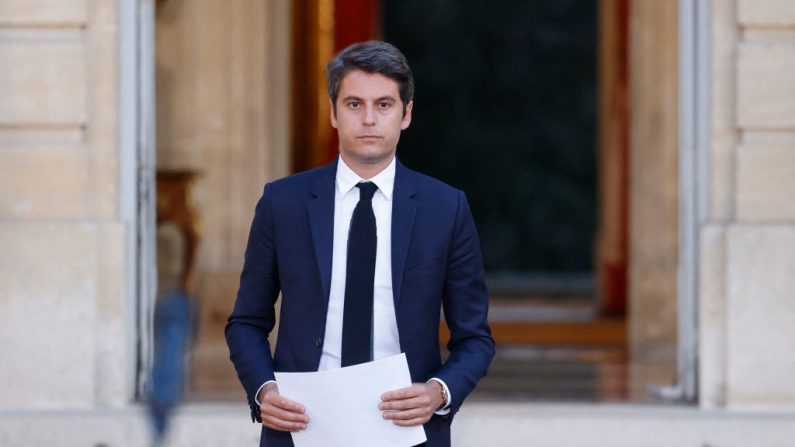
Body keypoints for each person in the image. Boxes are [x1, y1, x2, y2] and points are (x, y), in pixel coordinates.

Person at [225, 40, 494, 447]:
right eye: (354, 104)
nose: (369, 119)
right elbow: (246, 321)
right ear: (333, 113)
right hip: (302, 427)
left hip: (407, 431)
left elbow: (475, 337)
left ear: (406, 115)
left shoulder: (446, 208)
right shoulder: (283, 203)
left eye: (383, 105)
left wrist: (438, 392)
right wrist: (264, 391)